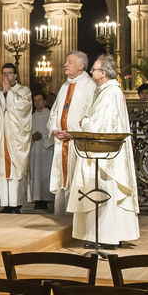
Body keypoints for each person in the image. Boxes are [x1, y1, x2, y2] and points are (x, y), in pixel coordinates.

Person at [71, 54, 139, 247]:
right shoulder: (105, 91)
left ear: (103, 73)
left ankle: (107, 237)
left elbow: (103, 124)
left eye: (94, 69)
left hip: (106, 153)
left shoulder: (111, 93)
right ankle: (104, 235)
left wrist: (85, 121)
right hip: (101, 150)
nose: (91, 71)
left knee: (105, 189)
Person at [47, 51, 95, 214]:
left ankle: (76, 216)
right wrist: (54, 128)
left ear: (81, 66)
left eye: (70, 62)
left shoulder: (90, 86)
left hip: (77, 142)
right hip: (62, 141)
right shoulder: (64, 86)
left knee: (76, 178)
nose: (65, 64)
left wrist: (73, 133)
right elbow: (54, 111)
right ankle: (62, 215)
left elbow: (90, 114)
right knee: (63, 179)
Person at [0, 63, 33, 213]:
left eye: (10, 73)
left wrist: (9, 93)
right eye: (4, 73)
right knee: (1, 169)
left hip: (15, 138)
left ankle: (16, 204)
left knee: (15, 171)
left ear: (16, 75)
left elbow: (23, 109)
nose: (6, 76)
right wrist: (2, 94)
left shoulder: (24, 91)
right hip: (0, 138)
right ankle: (5, 204)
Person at [29, 91, 54, 209]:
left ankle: (45, 200)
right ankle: (37, 199)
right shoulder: (31, 117)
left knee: (45, 173)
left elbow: (53, 130)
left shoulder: (50, 115)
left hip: (46, 149)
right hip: (34, 149)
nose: (37, 103)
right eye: (35, 101)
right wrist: (31, 136)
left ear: (44, 101)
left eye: (39, 100)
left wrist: (42, 135)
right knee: (35, 174)